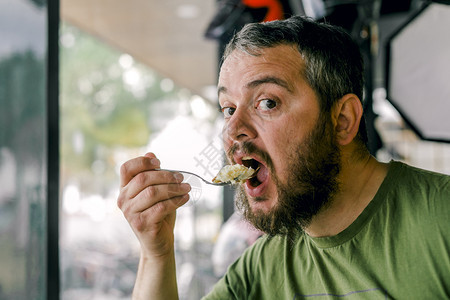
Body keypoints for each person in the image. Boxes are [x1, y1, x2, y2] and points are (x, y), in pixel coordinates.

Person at [117, 16, 450, 299]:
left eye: (267, 103)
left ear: (342, 120)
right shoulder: (261, 268)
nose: (232, 130)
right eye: (228, 108)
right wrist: (156, 253)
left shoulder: (441, 219)